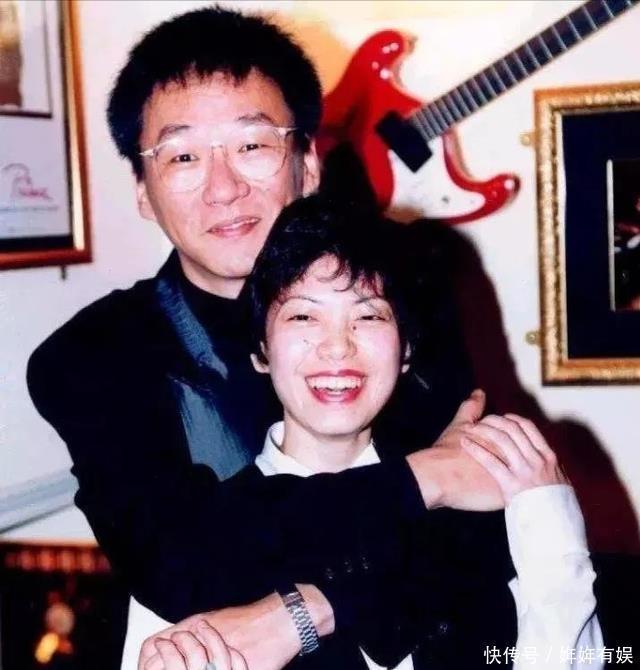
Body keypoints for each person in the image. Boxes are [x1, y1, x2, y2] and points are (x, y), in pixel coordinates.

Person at [27, 5, 511, 667]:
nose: (224, 188)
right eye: (183, 156)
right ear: (142, 189)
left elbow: (480, 535)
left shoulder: (405, 285)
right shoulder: (93, 356)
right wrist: (427, 477)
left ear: (307, 162)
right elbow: (183, 565)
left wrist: (304, 612)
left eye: (253, 145)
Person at [134, 195, 601, 670]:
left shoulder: (477, 510)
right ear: (261, 349)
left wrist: (546, 507)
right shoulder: (194, 546)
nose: (338, 347)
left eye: (369, 315)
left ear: (406, 350)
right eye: (303, 316)